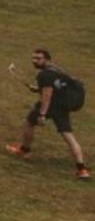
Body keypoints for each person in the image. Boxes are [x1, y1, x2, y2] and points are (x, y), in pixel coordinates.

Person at [7, 49, 89, 181]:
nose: (35, 61)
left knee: (29, 122)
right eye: (34, 58)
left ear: (47, 59)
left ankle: (25, 150)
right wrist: (38, 89)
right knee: (68, 135)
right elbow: (55, 87)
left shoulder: (44, 75)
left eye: (38, 58)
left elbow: (47, 95)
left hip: (51, 105)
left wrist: (42, 114)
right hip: (63, 107)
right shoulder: (57, 70)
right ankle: (82, 169)